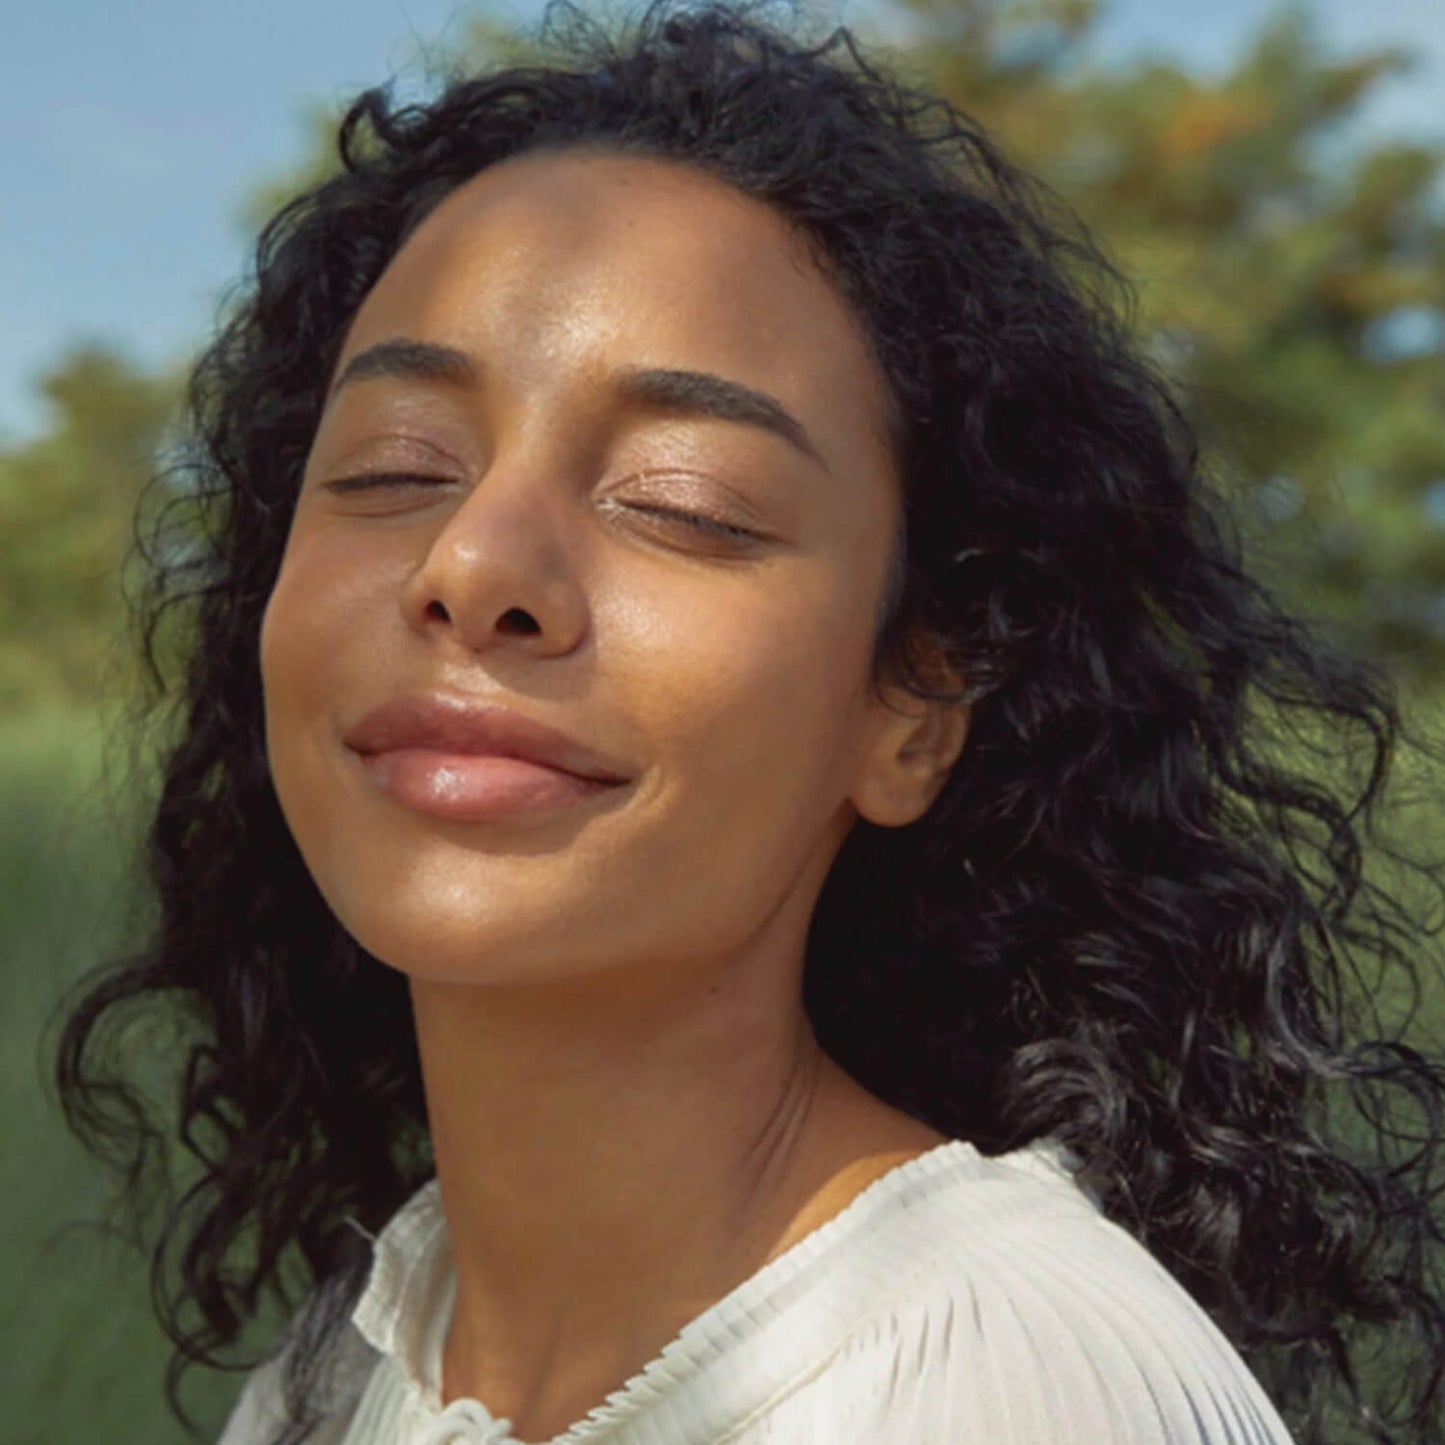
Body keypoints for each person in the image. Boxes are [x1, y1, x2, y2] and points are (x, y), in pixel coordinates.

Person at [52, 1, 1445, 1442]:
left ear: (911, 707)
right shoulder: (342, 1374)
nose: (470, 566)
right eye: (395, 467)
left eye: (681, 502)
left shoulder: (997, 1385)